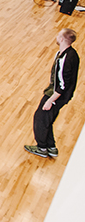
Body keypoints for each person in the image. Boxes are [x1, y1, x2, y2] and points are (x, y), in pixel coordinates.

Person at [25, 28, 80, 158]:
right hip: (58, 92)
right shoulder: (69, 53)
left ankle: (42, 148)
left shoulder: (65, 59)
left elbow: (62, 85)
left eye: (59, 35)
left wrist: (51, 100)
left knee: (40, 118)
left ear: (62, 39)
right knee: (47, 119)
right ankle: (51, 147)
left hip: (57, 95)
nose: (56, 36)